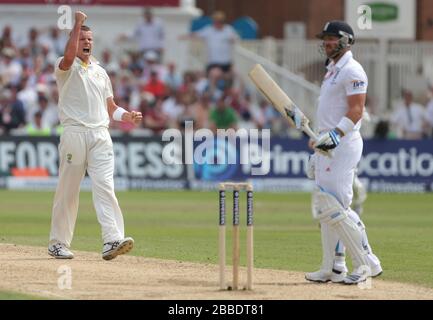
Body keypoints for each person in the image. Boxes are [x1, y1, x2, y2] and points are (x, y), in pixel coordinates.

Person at [48, 11, 142, 261]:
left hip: (101, 134)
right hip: (75, 133)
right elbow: (69, 56)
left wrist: (127, 116)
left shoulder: (101, 71)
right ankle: (58, 243)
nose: (87, 42)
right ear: (73, 41)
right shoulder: (64, 66)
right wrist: (77, 22)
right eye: (82, 39)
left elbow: (111, 107)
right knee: (69, 190)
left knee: (105, 187)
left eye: (90, 39)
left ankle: (112, 239)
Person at [305, 21, 382, 284]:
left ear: (346, 41)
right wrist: (318, 141)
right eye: (324, 38)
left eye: (332, 38)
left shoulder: (352, 69)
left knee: (337, 206)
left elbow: (356, 110)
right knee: (325, 207)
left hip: (343, 144)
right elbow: (330, 112)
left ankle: (367, 263)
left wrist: (335, 135)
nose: (327, 43)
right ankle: (333, 266)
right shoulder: (332, 72)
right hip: (327, 145)